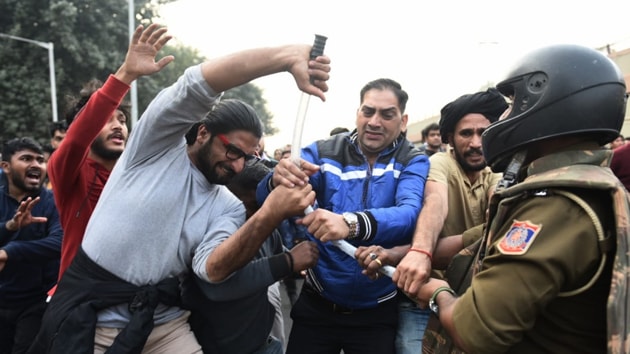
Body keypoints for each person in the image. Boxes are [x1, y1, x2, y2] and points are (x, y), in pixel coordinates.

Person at [30, 39, 330, 353]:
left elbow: (211, 270)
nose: (238, 164)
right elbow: (199, 83)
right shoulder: (154, 148)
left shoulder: (227, 206)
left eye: (247, 156)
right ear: (202, 132)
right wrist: (284, 58)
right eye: (231, 150)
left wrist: (271, 213)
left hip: (166, 326)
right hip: (93, 320)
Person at [402, 44, 629, 353]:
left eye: (511, 104)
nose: (504, 116)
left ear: (544, 101)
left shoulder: (552, 205)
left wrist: (438, 291)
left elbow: (474, 332)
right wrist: (400, 254)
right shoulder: (592, 185)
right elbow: (477, 239)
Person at [258, 78, 429, 354]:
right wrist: (275, 179)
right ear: (357, 113)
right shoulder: (323, 153)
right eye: (368, 111)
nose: (375, 122)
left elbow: (409, 213)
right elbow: (265, 200)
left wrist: (349, 224)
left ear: (403, 120)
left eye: (387, 114)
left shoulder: (413, 159)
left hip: (376, 312)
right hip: (317, 307)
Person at [363, 88, 506, 354]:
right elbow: (435, 203)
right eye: (466, 133)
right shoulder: (440, 163)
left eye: (483, 133)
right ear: (449, 138)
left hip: (474, 301)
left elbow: (497, 209)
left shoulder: (496, 172)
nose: (476, 143)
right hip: (423, 300)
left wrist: (397, 254)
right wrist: (420, 252)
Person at [47, 24, 173, 283]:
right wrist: (126, 73)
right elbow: (77, 137)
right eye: (107, 119)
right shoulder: (69, 172)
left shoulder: (139, 175)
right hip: (81, 303)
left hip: (136, 301)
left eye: (123, 120)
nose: (118, 125)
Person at [184, 162, 319, 354]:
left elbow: (274, 251)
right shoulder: (209, 234)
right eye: (255, 207)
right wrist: (287, 261)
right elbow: (216, 286)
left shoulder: (268, 232)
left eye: (269, 208)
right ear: (228, 199)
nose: (262, 217)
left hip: (263, 345)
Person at [0, 138, 62, 354]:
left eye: (40, 160)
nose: (36, 165)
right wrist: (9, 226)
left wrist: (9, 251)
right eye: (26, 159)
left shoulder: (54, 202)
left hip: (37, 303)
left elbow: (60, 242)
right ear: (5, 166)